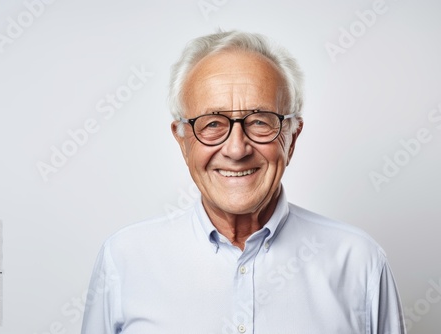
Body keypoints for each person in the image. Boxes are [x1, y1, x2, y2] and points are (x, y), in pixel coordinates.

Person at [81, 31, 406, 334]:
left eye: (260, 122)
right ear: (182, 141)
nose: (237, 149)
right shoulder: (124, 259)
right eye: (212, 123)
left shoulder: (360, 263)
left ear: (291, 138)